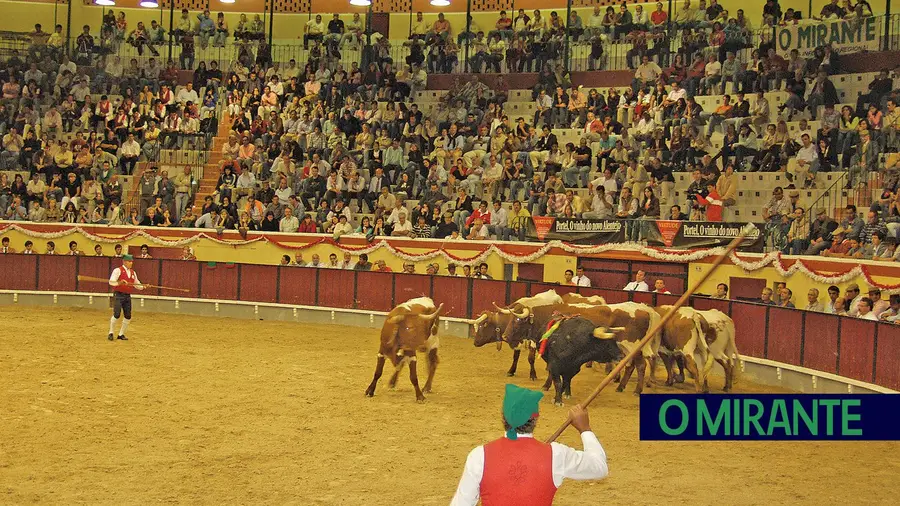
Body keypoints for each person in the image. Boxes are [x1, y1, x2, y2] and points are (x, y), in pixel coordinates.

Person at [450, 384, 608, 506]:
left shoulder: (479, 456)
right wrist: (585, 429)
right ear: (535, 419)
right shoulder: (557, 455)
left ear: (503, 417)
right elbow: (599, 467)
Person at [107, 254, 145, 341]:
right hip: (118, 294)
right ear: (124, 262)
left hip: (127, 295)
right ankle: (111, 332)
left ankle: (121, 334)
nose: (131, 263)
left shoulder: (133, 272)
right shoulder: (117, 270)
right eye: (129, 261)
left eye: (132, 261)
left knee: (128, 316)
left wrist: (143, 286)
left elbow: (136, 283)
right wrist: (120, 282)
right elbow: (111, 282)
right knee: (116, 314)